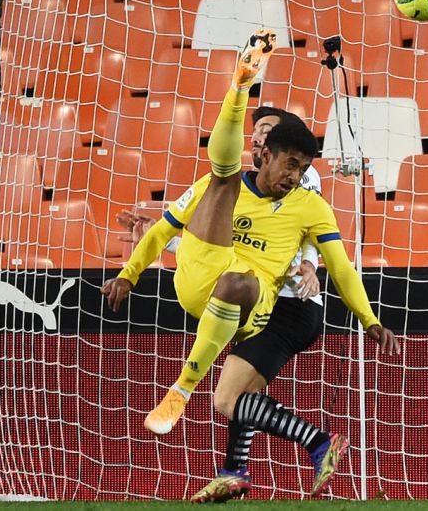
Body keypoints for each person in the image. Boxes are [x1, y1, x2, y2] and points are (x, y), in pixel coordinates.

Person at [101, 30, 400, 499]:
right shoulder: (220, 187)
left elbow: (337, 266)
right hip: (204, 283)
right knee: (219, 187)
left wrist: (368, 318)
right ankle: (242, 468)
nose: (295, 175)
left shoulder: (308, 197)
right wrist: (129, 271)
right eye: (290, 163)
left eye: (302, 167)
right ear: (261, 149)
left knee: (228, 390)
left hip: (270, 304)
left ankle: (295, 439)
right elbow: (166, 231)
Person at [114, 105, 331, 502]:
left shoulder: (299, 172)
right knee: (241, 394)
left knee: (227, 398)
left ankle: (317, 443)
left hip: (289, 303)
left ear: (281, 142)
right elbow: (229, 243)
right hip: (257, 298)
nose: (257, 136)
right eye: (254, 130)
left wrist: (309, 264)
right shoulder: (239, 183)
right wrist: (167, 240)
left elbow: (305, 231)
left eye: (266, 129)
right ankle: (234, 472)